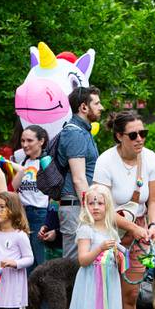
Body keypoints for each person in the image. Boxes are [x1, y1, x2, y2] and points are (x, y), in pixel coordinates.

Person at [93, 110, 155, 309]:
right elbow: (102, 207)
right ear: (119, 136)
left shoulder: (151, 159)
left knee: (131, 293)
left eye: (143, 133)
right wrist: (131, 229)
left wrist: (152, 224)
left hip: (140, 227)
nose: (140, 139)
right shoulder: (105, 161)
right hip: (107, 230)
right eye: (133, 135)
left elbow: (154, 199)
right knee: (99, 290)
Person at [67, 185, 123, 309]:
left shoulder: (111, 232)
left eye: (100, 203)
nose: (96, 207)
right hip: (90, 284)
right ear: (85, 206)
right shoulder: (86, 230)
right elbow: (83, 260)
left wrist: (118, 257)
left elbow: (115, 261)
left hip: (105, 285)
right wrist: (99, 248)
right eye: (91, 203)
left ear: (108, 206)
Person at [57, 86, 103, 260]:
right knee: (73, 266)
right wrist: (91, 207)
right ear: (84, 107)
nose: (101, 107)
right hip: (76, 206)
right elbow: (78, 178)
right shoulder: (74, 133)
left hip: (80, 205)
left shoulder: (83, 130)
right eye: (97, 103)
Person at [12, 124, 49, 273]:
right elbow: (12, 188)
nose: (25, 145)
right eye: (22, 141)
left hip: (40, 214)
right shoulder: (23, 162)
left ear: (41, 141)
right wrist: (20, 170)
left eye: (29, 140)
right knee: (25, 259)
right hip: (22, 214)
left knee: (40, 260)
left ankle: (43, 295)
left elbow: (54, 191)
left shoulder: (47, 162)